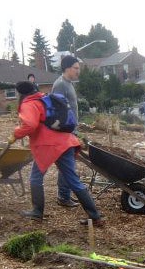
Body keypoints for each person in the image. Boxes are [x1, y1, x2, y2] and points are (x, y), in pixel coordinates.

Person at [9, 81, 104, 227]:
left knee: (35, 177)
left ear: (21, 93)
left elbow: (30, 125)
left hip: (48, 145)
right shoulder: (44, 99)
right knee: (73, 179)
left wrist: (16, 133)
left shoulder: (29, 103)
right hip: (66, 142)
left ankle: (37, 211)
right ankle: (95, 216)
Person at [52, 54, 83, 207]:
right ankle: (63, 197)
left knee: (69, 165)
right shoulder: (60, 84)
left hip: (71, 130)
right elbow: (57, 109)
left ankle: (65, 195)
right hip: (64, 132)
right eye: (76, 68)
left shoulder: (69, 83)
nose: (78, 71)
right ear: (67, 68)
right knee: (67, 165)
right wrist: (66, 129)